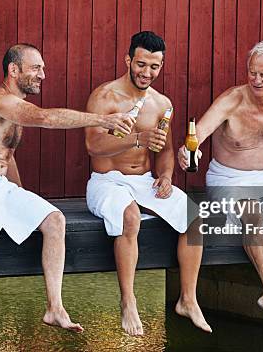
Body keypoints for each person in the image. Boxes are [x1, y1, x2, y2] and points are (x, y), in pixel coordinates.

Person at [0, 43, 134, 349]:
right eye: (36, 68)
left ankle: (54, 307)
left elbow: (7, 158)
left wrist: (20, 194)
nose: (42, 75)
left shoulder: (14, 109)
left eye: (43, 69)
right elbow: (45, 118)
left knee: (54, 220)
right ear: (13, 70)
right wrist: (102, 120)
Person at [177, 40, 263, 333]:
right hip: (230, 179)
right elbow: (197, 135)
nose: (256, 80)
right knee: (252, 215)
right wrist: (190, 152)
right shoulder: (232, 99)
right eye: (253, 72)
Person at [85, 31, 211, 336]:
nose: (146, 73)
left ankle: (187, 299)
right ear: (129, 60)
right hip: (107, 181)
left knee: (194, 217)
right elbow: (93, 146)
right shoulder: (105, 96)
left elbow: (165, 151)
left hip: (144, 181)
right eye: (141, 64)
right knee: (130, 217)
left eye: (154, 67)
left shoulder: (162, 104)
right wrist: (138, 138)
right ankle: (128, 301)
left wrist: (166, 176)